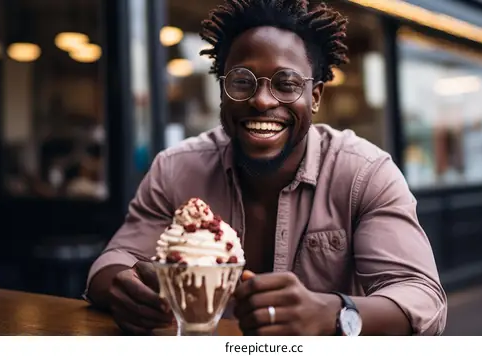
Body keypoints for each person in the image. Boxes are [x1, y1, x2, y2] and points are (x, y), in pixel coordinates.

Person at [84, 0, 447, 336]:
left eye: (286, 84)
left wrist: (333, 314)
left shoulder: (364, 174)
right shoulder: (176, 169)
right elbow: (112, 264)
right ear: (223, 91)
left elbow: (423, 299)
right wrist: (124, 288)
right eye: (242, 81)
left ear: (315, 96)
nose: (261, 99)